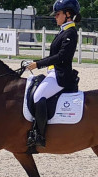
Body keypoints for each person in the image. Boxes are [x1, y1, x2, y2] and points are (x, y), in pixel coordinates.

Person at [26, 0, 81, 148]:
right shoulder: (63, 31)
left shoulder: (70, 33)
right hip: (53, 72)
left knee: (38, 96)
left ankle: (40, 135)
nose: (55, 17)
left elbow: (62, 57)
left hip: (61, 76)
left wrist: (38, 64)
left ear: (68, 14)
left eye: (57, 14)